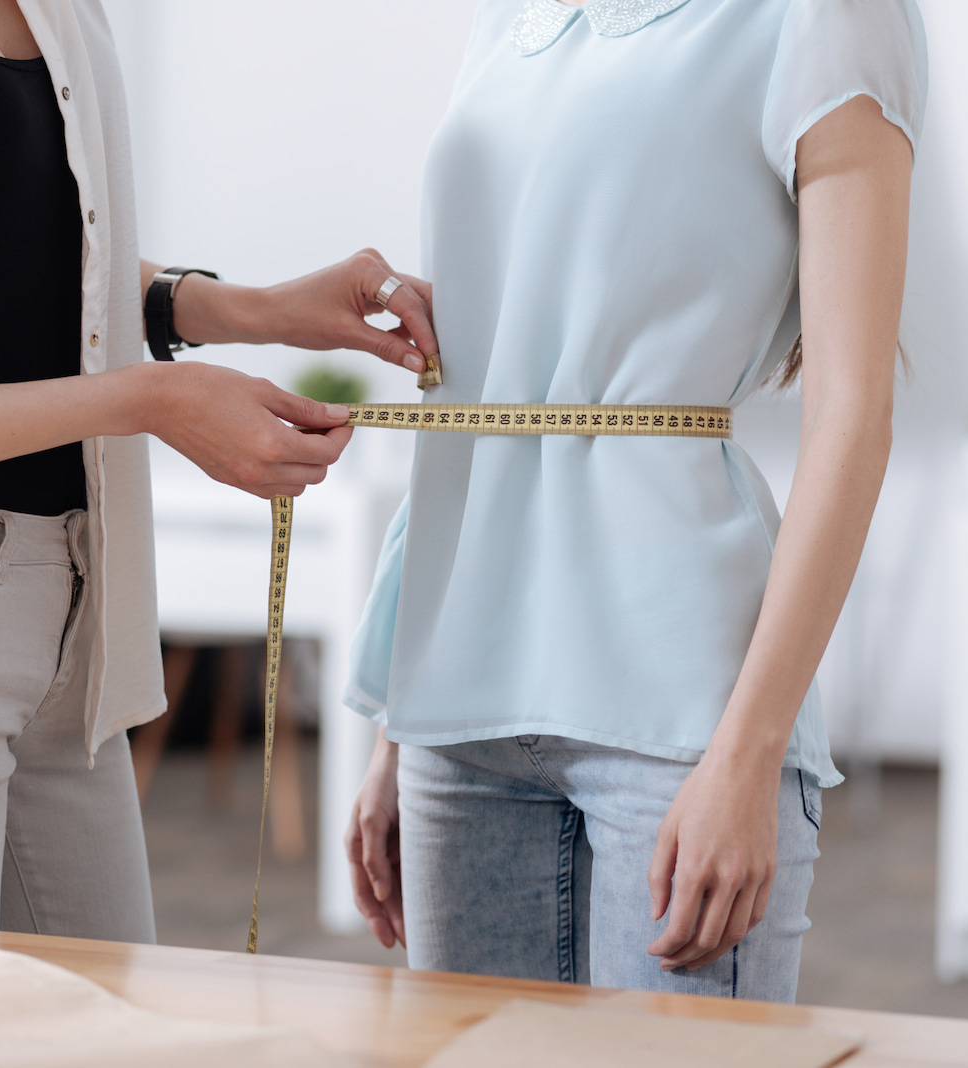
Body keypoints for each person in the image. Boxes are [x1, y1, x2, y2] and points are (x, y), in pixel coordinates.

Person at [0, 0, 431, 942]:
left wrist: (255, 309)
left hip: (80, 627)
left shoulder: (68, 9)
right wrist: (148, 402)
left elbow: (11, 253)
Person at [344, 0, 925, 1001]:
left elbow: (852, 415)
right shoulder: (509, 18)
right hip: (457, 701)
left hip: (679, 708)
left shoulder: (824, 15)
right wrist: (401, 717)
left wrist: (745, 756)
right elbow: (482, 378)